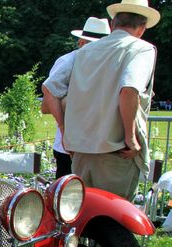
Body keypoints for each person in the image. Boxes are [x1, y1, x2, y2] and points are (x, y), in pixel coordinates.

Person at [42, 0, 160, 200]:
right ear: (141, 29)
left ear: (113, 24)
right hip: (116, 153)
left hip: (80, 153)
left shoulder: (84, 52)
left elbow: (49, 89)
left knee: (80, 218)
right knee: (114, 219)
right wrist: (131, 138)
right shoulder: (142, 49)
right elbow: (129, 89)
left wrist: (65, 131)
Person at [42, 17, 111, 178]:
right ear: (81, 43)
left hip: (97, 147)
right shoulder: (68, 61)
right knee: (67, 197)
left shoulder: (108, 64)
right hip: (70, 148)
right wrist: (65, 131)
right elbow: (47, 102)